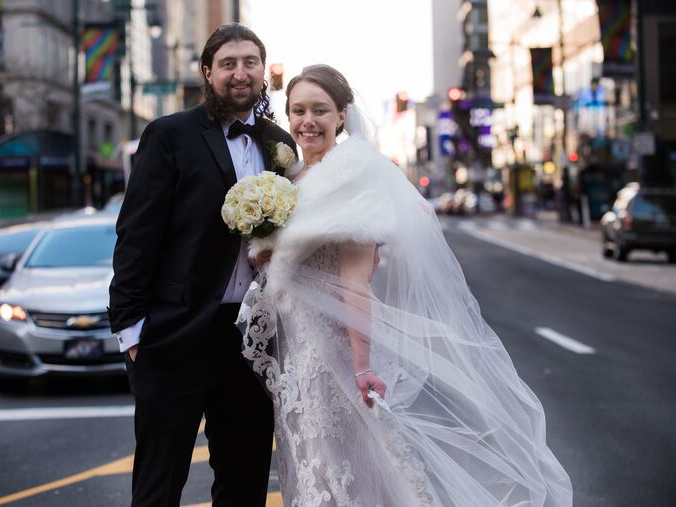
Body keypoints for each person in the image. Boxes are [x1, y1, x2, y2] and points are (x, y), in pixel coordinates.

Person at [238, 65, 573, 506]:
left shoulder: (355, 179)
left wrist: (361, 366)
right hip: (294, 357)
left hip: (332, 357)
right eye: (298, 110)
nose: (308, 121)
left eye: (320, 110)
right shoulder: (289, 181)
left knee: (348, 480)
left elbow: (355, 283)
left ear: (341, 115)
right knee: (307, 470)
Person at [108, 23, 297, 506]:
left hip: (252, 338)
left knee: (244, 482)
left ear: (263, 72)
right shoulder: (169, 135)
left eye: (250, 63)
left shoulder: (280, 145)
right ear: (207, 73)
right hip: (175, 335)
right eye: (228, 64)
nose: (240, 73)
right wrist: (131, 332)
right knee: (159, 484)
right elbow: (136, 235)